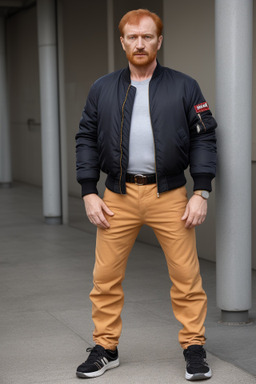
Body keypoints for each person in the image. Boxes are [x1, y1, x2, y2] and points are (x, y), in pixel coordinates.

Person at [75, 9, 217, 381]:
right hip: (116, 195)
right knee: (104, 277)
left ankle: (194, 347)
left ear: (159, 41)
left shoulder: (185, 86)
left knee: (186, 276)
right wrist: (89, 191)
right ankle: (106, 347)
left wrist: (200, 189)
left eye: (148, 36)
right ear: (122, 42)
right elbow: (86, 138)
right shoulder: (102, 87)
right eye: (133, 37)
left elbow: (204, 136)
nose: (140, 43)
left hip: (169, 193)